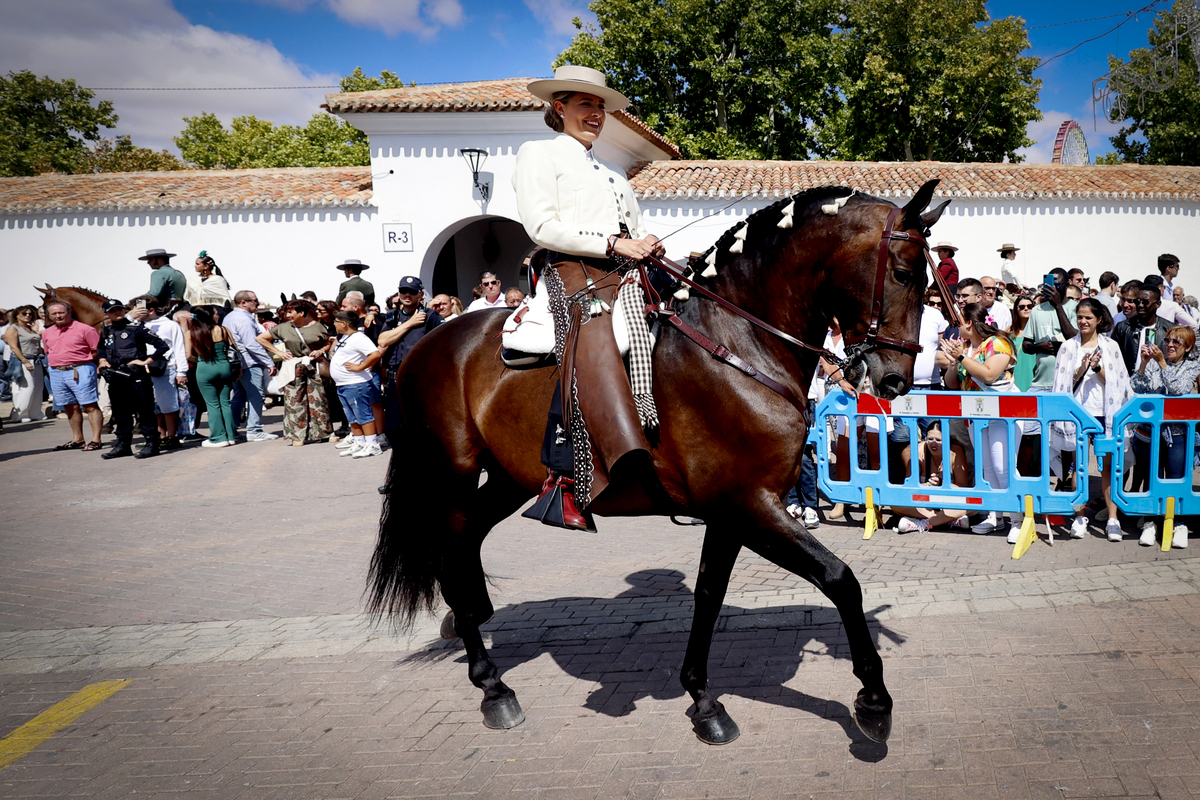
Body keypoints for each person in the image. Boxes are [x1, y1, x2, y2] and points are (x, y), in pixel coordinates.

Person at [513, 64, 663, 529]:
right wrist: (614, 244)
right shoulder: (539, 154)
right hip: (571, 269)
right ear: (559, 108)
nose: (596, 113)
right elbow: (541, 225)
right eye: (586, 104)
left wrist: (646, 241)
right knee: (596, 336)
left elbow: (632, 228)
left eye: (600, 106)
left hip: (627, 268)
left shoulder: (615, 171)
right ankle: (570, 476)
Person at [1050, 298, 1132, 542]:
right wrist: (1082, 368)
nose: (1083, 321)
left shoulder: (1111, 346)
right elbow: (1063, 385)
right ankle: (1079, 516)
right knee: (1079, 466)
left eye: (1088, 317)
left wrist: (1096, 369)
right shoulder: (1067, 347)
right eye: (1080, 317)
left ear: (1099, 319)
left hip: (1105, 412)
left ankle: (1113, 519)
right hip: (1078, 413)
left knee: (1108, 466)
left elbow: (1117, 384)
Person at [941, 302, 1018, 537]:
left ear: (969, 323)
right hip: (976, 415)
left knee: (1003, 467)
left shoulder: (998, 342)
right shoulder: (966, 347)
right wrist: (955, 360)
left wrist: (962, 356)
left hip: (1002, 413)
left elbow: (989, 374)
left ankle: (1017, 520)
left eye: (958, 321)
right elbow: (951, 383)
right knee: (987, 469)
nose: (955, 327)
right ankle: (996, 516)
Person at [1130, 324, 1200, 549]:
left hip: (1178, 434)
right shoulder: (1152, 363)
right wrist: (1143, 363)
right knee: (1152, 479)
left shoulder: (1192, 366)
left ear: (1188, 347)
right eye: (1168, 340)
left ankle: (1178, 523)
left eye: (1176, 342)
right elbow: (1137, 388)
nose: (1169, 345)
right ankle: (1150, 522)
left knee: (1176, 478)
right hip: (1151, 433)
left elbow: (1178, 389)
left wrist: (1161, 363)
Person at [375, 276, 445, 461]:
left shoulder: (430, 317)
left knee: (418, 431)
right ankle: (399, 477)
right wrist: (410, 323)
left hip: (418, 383)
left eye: (412, 291)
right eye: (404, 291)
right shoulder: (393, 316)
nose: (407, 295)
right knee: (393, 431)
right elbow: (383, 340)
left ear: (420, 294)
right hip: (394, 382)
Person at [255, 299, 333, 446]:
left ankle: (323, 432)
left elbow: (328, 342)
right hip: (293, 366)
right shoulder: (283, 327)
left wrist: (321, 350)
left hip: (313, 366)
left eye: (291, 312)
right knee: (294, 400)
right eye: (287, 312)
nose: (287, 315)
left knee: (318, 399)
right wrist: (279, 352)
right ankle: (297, 435)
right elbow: (261, 338)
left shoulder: (317, 326)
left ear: (301, 312)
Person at [97, 299, 168, 459]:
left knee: (145, 412)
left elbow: (162, 346)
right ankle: (123, 445)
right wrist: (102, 360)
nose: (117, 312)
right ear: (106, 313)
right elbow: (101, 348)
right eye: (113, 310)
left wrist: (146, 362)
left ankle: (152, 444)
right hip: (116, 377)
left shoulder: (136, 329)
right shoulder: (106, 330)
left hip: (136, 376)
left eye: (119, 309)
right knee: (121, 413)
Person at [41, 302, 103, 451]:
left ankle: (96, 440)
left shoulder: (86, 329)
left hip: (80, 369)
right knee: (70, 407)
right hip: (56, 371)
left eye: (61, 312)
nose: (58, 316)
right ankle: (78, 439)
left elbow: (98, 350)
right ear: (49, 316)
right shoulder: (47, 332)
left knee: (90, 405)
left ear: (69, 312)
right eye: (54, 314)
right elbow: (48, 351)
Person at [893, 422, 974, 533]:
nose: (933, 444)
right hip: (924, 502)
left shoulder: (955, 452)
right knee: (894, 502)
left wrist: (942, 484)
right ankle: (949, 519)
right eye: (930, 439)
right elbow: (909, 487)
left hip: (949, 501)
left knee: (973, 505)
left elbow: (962, 486)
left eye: (938, 440)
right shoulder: (918, 450)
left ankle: (922, 523)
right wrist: (928, 485)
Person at [225, 290, 279, 442]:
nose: (257, 303)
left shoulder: (230, 317)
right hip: (249, 362)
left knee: (239, 396)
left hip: (238, 363)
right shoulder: (244, 319)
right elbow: (251, 344)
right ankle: (254, 430)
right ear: (243, 302)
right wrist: (269, 362)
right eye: (254, 300)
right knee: (256, 395)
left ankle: (232, 428)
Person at [329, 310, 385, 458]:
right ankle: (360, 442)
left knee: (363, 415)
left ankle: (372, 445)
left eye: (336, 321)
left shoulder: (359, 338)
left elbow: (375, 354)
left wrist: (360, 367)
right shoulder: (347, 338)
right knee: (352, 416)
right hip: (343, 384)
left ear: (344, 324)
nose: (334, 324)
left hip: (355, 383)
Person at [136, 295, 187, 450]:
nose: (136, 312)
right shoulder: (135, 325)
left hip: (166, 369)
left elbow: (179, 348)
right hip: (143, 370)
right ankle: (159, 435)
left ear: (151, 309)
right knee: (152, 405)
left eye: (139, 308)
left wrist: (182, 371)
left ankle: (172, 436)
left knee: (168, 405)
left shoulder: (170, 325)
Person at [184, 307, 239, 448]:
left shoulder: (191, 333)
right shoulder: (223, 330)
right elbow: (234, 349)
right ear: (208, 316)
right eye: (215, 313)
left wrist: (202, 360)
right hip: (224, 366)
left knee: (212, 404)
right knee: (225, 402)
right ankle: (231, 436)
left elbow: (188, 354)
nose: (218, 315)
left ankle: (218, 437)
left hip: (205, 367)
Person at [3, 305, 46, 423]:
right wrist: (25, 362)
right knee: (26, 388)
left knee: (38, 387)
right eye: (24, 314)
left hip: (36, 359)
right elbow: (14, 347)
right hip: (23, 360)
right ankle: (21, 414)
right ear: (17, 315)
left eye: (30, 314)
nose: (27, 316)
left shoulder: (30, 328)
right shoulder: (13, 328)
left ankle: (35, 412)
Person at [1008, 295, 1036, 391]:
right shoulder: (1009, 332)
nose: (1026, 309)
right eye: (1022, 307)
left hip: (1034, 376)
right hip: (1015, 378)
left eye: (1030, 306)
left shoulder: (1038, 331)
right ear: (1016, 309)